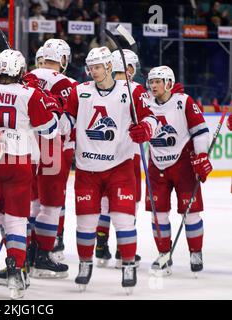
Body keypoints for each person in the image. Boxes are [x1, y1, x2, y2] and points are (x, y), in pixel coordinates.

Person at [0, 49, 60, 299]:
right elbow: (51, 130)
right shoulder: (29, 94)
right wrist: (43, 97)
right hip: (19, 164)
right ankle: (16, 274)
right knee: (16, 220)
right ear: (20, 71)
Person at [65, 46, 158, 293]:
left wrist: (147, 128)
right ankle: (85, 264)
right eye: (90, 67)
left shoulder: (132, 90)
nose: (93, 72)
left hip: (120, 166)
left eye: (98, 67)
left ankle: (128, 264)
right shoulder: (80, 91)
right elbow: (66, 120)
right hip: (87, 168)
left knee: (123, 219)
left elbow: (152, 117)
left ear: (109, 66)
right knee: (85, 222)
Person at [146, 66, 212, 276]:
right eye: (152, 81)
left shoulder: (183, 101)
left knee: (191, 213)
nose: (153, 85)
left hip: (183, 164)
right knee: (159, 215)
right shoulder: (145, 103)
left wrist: (201, 156)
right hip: (156, 165)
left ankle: (196, 252)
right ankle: (164, 254)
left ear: (169, 83)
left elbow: (200, 131)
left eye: (158, 81)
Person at [27, 38, 76, 278]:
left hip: (25, 148)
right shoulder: (66, 83)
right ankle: (43, 255)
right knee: (51, 203)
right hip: (54, 148)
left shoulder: (26, 76)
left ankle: (27, 251)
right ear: (64, 59)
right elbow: (67, 123)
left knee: (33, 202)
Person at [95, 49, 143, 268]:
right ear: (130, 68)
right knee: (127, 204)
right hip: (127, 157)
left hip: (101, 156)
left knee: (105, 202)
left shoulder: (102, 89)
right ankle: (123, 249)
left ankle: (101, 245)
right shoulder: (135, 90)